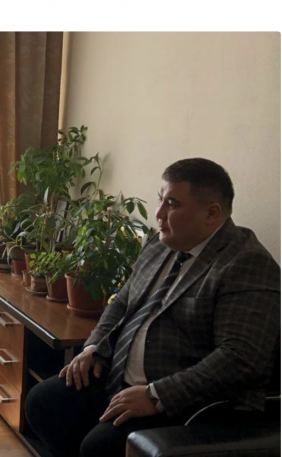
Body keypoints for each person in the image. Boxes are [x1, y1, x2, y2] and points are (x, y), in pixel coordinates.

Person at [24, 158, 280, 457]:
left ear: (212, 213)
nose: (158, 214)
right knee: (44, 403)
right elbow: (122, 302)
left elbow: (240, 359)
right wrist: (93, 346)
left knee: (99, 446)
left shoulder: (246, 263)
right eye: (161, 199)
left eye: (172, 204)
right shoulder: (160, 245)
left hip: (189, 400)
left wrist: (157, 395)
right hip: (119, 374)